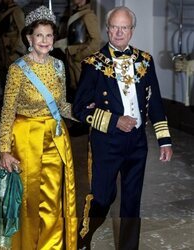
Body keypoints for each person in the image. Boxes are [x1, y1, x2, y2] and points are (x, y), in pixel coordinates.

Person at [73, 6, 173, 250]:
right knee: (103, 199)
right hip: (107, 142)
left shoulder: (145, 61)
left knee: (131, 202)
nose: (119, 32)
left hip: (137, 143)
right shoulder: (94, 64)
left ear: (131, 30)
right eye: (114, 27)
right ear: (108, 29)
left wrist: (164, 140)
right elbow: (78, 109)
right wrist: (114, 121)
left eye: (124, 27)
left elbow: (156, 102)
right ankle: (82, 237)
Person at [0, 5, 77, 250]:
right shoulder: (17, 70)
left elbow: (62, 105)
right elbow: (7, 111)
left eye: (49, 35)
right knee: (28, 201)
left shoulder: (58, 67)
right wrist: (4, 150)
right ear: (30, 38)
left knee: (52, 200)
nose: (44, 40)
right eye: (39, 35)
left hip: (54, 138)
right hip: (25, 138)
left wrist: (86, 112)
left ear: (54, 39)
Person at [55, 0, 101, 136]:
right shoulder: (77, 14)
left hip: (81, 60)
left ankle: (84, 124)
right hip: (73, 57)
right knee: (75, 91)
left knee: (83, 93)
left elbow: (96, 42)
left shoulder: (88, 16)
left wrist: (80, 56)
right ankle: (78, 122)